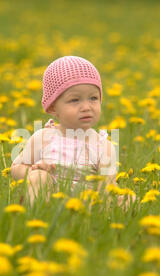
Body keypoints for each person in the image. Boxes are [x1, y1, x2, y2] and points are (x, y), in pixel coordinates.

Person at [11, 56, 136, 209]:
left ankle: (91, 223)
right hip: (50, 199)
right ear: (52, 108)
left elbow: (106, 186)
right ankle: (39, 213)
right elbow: (16, 168)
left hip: (86, 203)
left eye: (93, 98)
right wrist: (32, 170)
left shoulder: (104, 146)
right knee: (38, 177)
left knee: (129, 198)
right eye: (75, 100)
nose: (86, 107)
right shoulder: (43, 138)